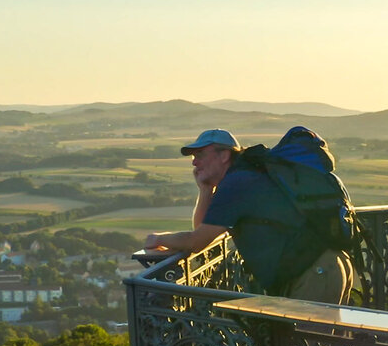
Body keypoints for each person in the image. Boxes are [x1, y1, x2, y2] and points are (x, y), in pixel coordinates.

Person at [142, 129, 354, 303]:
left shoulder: (237, 184)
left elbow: (196, 241)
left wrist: (158, 239)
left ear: (224, 155)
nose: (194, 163)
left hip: (315, 275)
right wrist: (206, 191)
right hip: (328, 267)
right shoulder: (245, 176)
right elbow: (204, 230)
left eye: (200, 155)